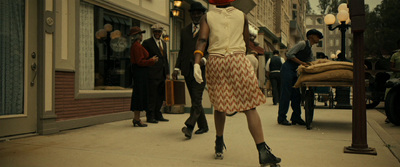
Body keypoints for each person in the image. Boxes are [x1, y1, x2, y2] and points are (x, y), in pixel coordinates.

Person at [193, 0, 281, 165]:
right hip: (238, 60)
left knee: (219, 104)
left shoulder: (207, 16)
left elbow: (202, 40)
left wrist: (197, 62)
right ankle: (262, 150)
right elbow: (246, 42)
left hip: (216, 62)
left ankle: (219, 143)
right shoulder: (242, 16)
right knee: (250, 107)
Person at [172, 2, 209, 139]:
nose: (196, 15)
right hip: (187, 70)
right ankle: (204, 126)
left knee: (196, 99)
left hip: (201, 70)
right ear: (191, 14)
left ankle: (189, 126)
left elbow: (211, 49)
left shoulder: (208, 30)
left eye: (199, 13)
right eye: (194, 13)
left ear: (203, 14)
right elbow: (182, 51)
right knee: (195, 99)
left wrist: (204, 60)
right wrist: (176, 68)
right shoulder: (184, 30)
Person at [277, 29, 323, 126]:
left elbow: (310, 62)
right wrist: (302, 63)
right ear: (311, 36)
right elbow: (289, 54)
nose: (318, 38)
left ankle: (296, 117)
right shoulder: (302, 44)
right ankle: (281, 118)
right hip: (288, 69)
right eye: (317, 36)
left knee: (296, 95)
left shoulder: (310, 49)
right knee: (286, 94)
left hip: (295, 71)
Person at [129, 26, 158, 127]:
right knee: (139, 94)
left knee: (139, 94)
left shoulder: (137, 45)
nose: (142, 36)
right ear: (137, 36)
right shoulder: (136, 46)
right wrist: (152, 61)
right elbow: (139, 62)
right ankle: (136, 119)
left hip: (141, 72)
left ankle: (136, 118)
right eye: (140, 34)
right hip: (139, 72)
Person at [142, 23, 170, 123]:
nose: (157, 33)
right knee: (152, 95)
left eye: (159, 31)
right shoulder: (147, 43)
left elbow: (165, 59)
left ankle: (158, 114)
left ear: (161, 32)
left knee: (160, 95)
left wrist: (167, 72)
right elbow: (144, 57)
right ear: (153, 32)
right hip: (152, 73)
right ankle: (150, 116)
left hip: (162, 74)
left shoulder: (164, 43)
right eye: (156, 31)